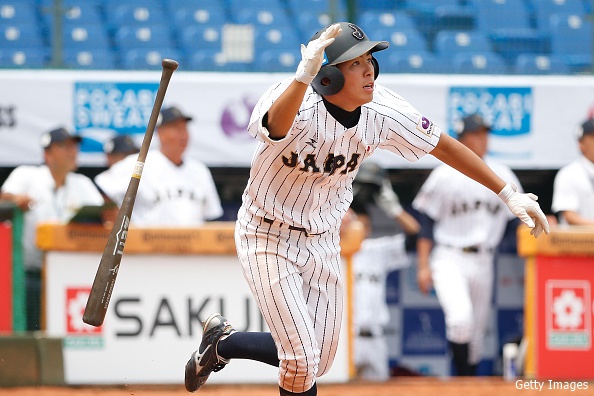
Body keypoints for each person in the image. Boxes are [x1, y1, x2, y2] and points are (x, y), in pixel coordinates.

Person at [183, 23, 549, 396]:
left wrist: (506, 193)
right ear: (327, 77)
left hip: (323, 239)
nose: (369, 69)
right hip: (266, 234)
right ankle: (224, 345)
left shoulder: (384, 110)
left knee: (320, 361)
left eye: (370, 60)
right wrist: (301, 77)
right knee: (301, 362)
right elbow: (276, 127)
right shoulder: (293, 99)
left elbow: (443, 145)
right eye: (354, 63)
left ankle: (222, 344)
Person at [412, 113, 524, 376]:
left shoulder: (502, 173)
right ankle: (462, 383)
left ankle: (467, 385)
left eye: (485, 134)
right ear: (461, 139)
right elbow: (425, 223)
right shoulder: (443, 174)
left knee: (475, 337)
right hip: (449, 257)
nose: (483, 139)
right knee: (460, 321)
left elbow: (517, 219)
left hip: (484, 260)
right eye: (476, 134)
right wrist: (422, 266)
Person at [0, 127, 105, 330]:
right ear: (47, 153)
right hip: (31, 274)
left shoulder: (82, 183)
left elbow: (105, 215)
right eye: (65, 146)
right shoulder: (28, 175)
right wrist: (15, 199)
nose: (72, 151)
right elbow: (4, 199)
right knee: (32, 330)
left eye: (75, 146)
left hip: (70, 273)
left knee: (66, 332)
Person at [94, 105, 223, 227]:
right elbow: (99, 186)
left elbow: (213, 216)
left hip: (194, 246)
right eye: (176, 128)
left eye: (184, 128)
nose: (183, 135)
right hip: (151, 245)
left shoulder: (200, 170)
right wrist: (116, 217)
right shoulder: (140, 163)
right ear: (160, 133)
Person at [349, 161, 420, 381]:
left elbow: (414, 234)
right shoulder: (331, 251)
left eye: (365, 226)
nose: (361, 231)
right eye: (355, 226)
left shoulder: (375, 250)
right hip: (346, 338)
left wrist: (395, 210)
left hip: (375, 338)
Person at [551, 118, 594, 225]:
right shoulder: (569, 173)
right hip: (578, 240)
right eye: (593, 138)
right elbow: (570, 216)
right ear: (581, 144)